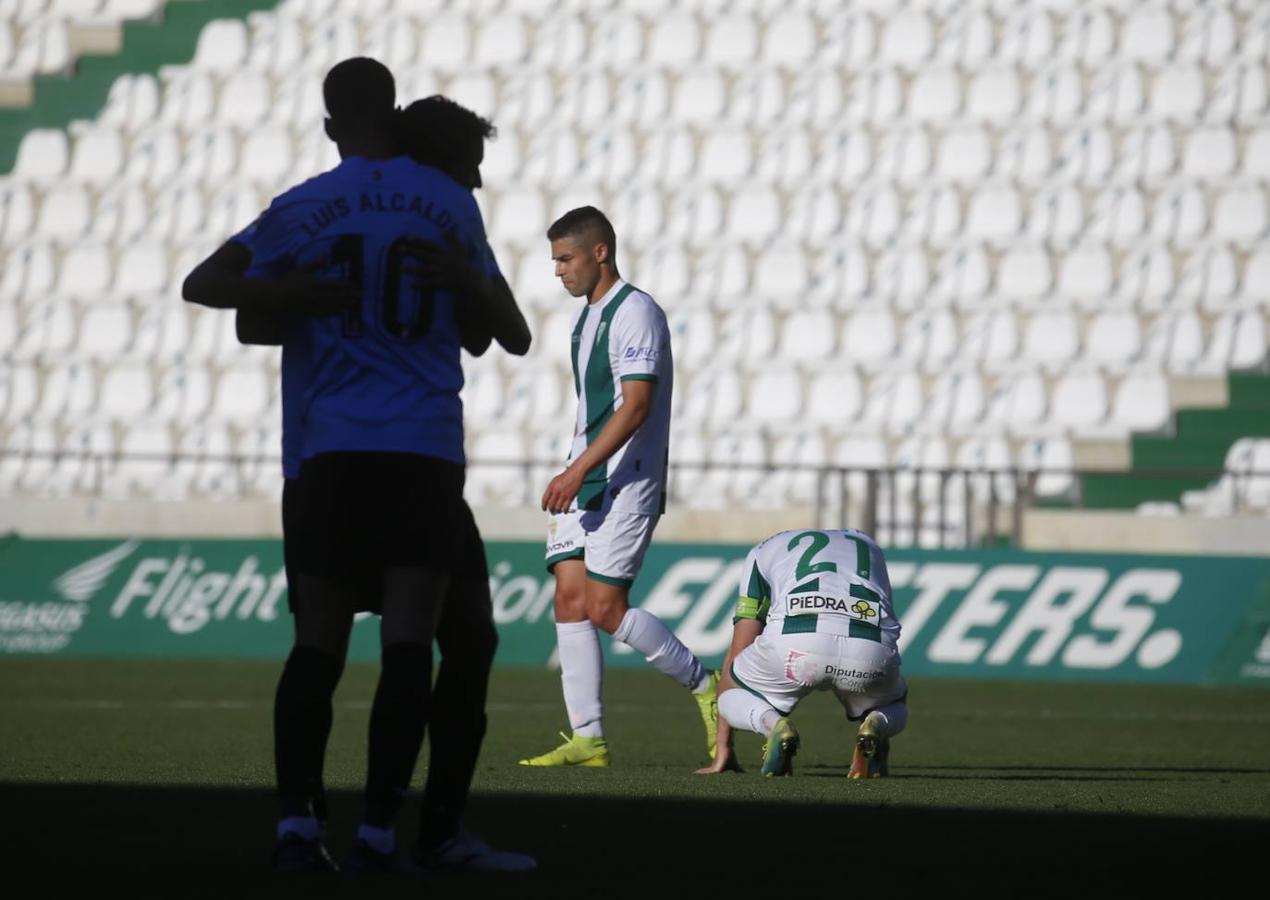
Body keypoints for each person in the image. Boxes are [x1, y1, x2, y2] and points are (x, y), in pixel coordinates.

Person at [182, 58, 532, 874]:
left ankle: (300, 829)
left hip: (328, 453)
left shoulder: (302, 207)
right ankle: (386, 832)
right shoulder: (445, 207)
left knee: (319, 646)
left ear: (332, 122)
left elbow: (214, 291)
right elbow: (504, 332)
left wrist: (291, 296)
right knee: (418, 642)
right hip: (420, 452)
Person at [519, 206, 718, 768]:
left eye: (565, 258)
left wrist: (578, 469)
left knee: (606, 609)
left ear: (599, 252)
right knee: (568, 599)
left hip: (625, 481)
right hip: (584, 474)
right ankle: (589, 739)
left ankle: (707, 688)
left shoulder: (637, 313)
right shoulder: (587, 318)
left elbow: (636, 407)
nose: (558, 270)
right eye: (554, 260)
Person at [695, 528, 908, 778]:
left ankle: (773, 725)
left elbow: (739, 647)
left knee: (730, 688)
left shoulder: (761, 551)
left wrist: (723, 746)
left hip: (795, 647)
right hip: (868, 650)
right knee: (893, 702)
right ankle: (877, 726)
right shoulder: (869, 545)